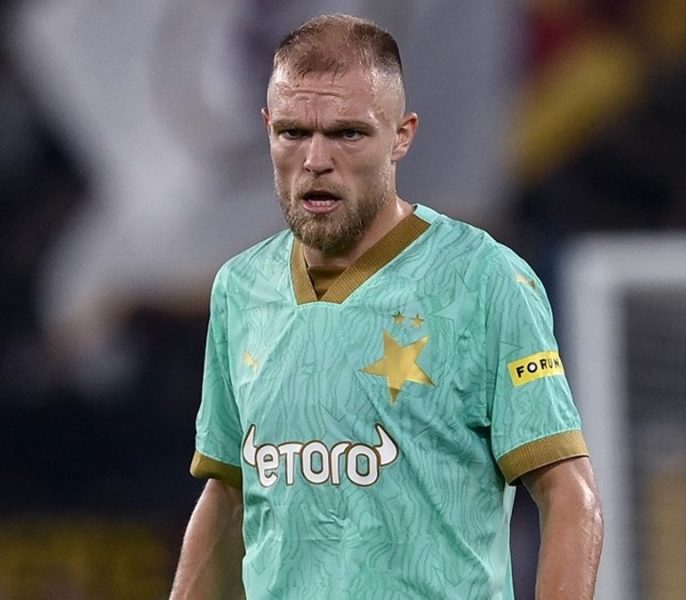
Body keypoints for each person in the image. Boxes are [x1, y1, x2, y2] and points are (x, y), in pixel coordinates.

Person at [169, 14, 603, 600]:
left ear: (401, 135)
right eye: (293, 133)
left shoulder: (483, 280)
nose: (315, 159)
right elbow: (228, 493)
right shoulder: (240, 289)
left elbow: (568, 491)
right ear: (267, 128)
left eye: (347, 134)